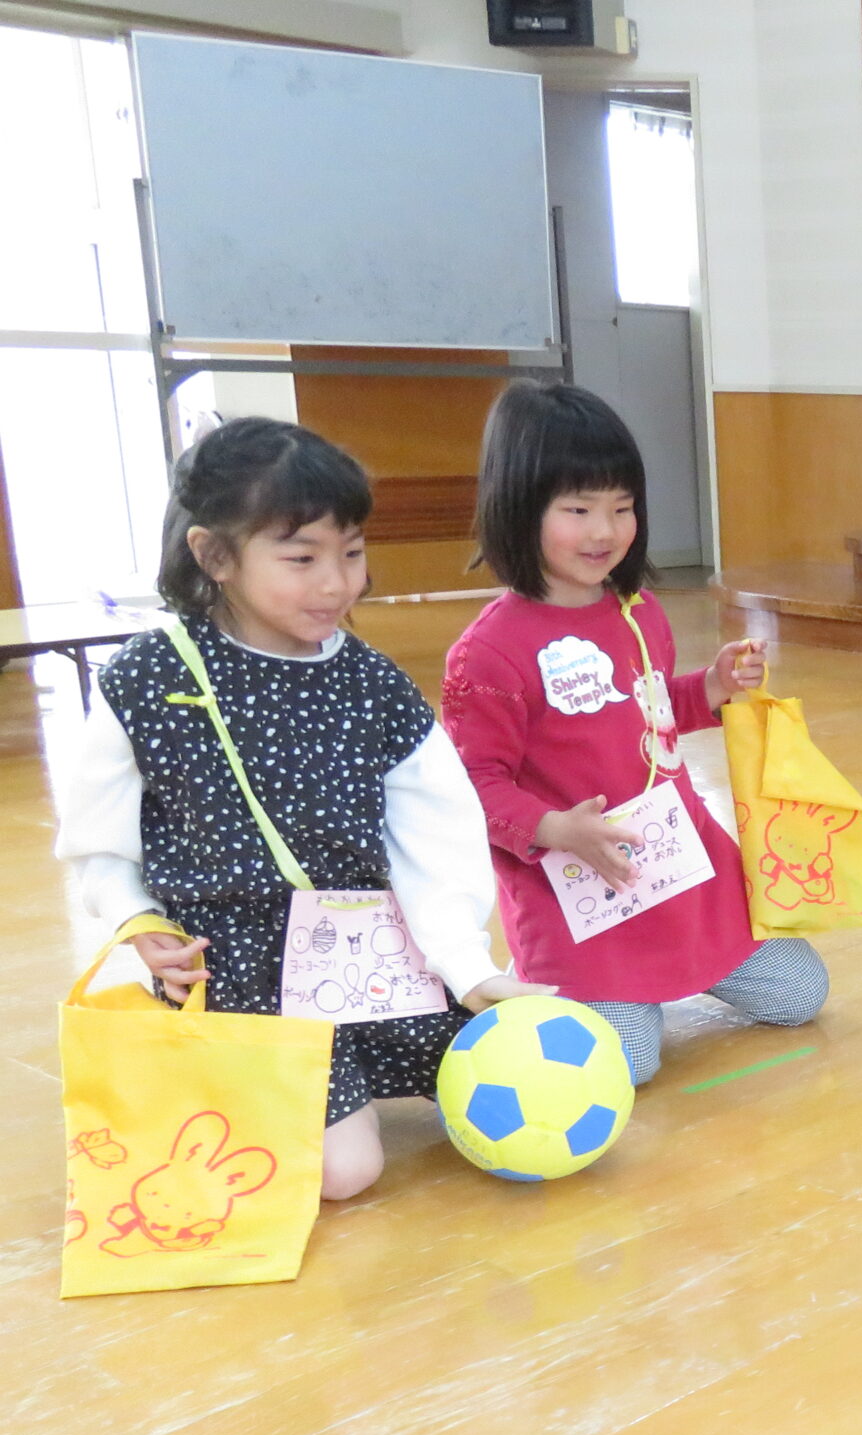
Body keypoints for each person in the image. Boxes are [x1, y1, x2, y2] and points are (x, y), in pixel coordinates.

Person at [53, 418, 539, 1200]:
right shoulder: (147, 679)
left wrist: (467, 968)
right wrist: (138, 921)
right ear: (215, 555)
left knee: (524, 1089)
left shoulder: (373, 683)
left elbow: (436, 838)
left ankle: (329, 1077)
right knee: (348, 1172)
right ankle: (216, 1077)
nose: (336, 584)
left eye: (352, 552)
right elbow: (97, 841)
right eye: (302, 558)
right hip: (240, 971)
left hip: (371, 952)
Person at [441, 381, 826, 1085]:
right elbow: (473, 786)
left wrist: (710, 689)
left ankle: (673, 973)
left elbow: (648, 710)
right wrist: (557, 829)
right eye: (578, 509)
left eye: (622, 508)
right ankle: (547, 991)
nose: (605, 531)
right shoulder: (487, 654)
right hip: (583, 903)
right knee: (626, 1064)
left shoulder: (638, 609)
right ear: (518, 506)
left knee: (801, 995)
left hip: (682, 874)